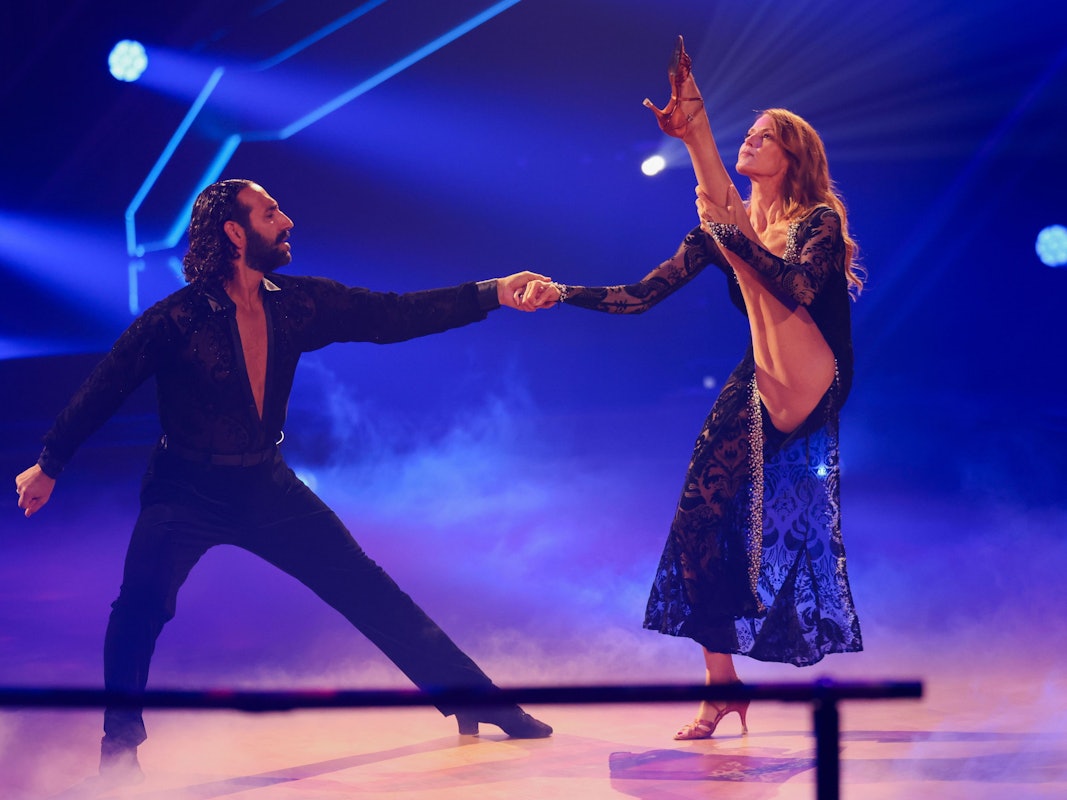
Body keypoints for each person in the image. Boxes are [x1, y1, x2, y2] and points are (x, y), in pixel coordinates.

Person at [14, 178, 553, 784]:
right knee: (138, 607)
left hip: (265, 486)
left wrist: (493, 292)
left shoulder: (296, 303)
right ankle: (120, 747)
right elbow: (105, 387)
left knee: (370, 591)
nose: (288, 220)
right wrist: (50, 462)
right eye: (272, 213)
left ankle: (477, 700)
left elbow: (392, 315)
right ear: (236, 233)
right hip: (183, 490)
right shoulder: (176, 319)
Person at [521, 36, 864, 739]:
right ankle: (721, 686)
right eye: (747, 133)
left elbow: (793, 285)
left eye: (764, 137)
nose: (753, 141)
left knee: (744, 251)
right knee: (699, 528)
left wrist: (725, 219)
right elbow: (640, 295)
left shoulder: (817, 220)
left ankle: (742, 668)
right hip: (760, 376)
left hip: (811, 367)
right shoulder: (724, 225)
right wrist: (563, 292)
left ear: (791, 157)